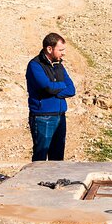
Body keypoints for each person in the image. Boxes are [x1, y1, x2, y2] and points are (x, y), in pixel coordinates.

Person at [26, 33, 76, 161]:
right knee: (40, 158)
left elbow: (71, 89)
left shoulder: (59, 65)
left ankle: (55, 182)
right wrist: (58, 87)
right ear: (49, 49)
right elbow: (47, 87)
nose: (63, 53)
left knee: (58, 158)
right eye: (60, 50)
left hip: (60, 116)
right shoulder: (35, 65)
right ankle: (35, 181)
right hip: (43, 117)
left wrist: (55, 89)